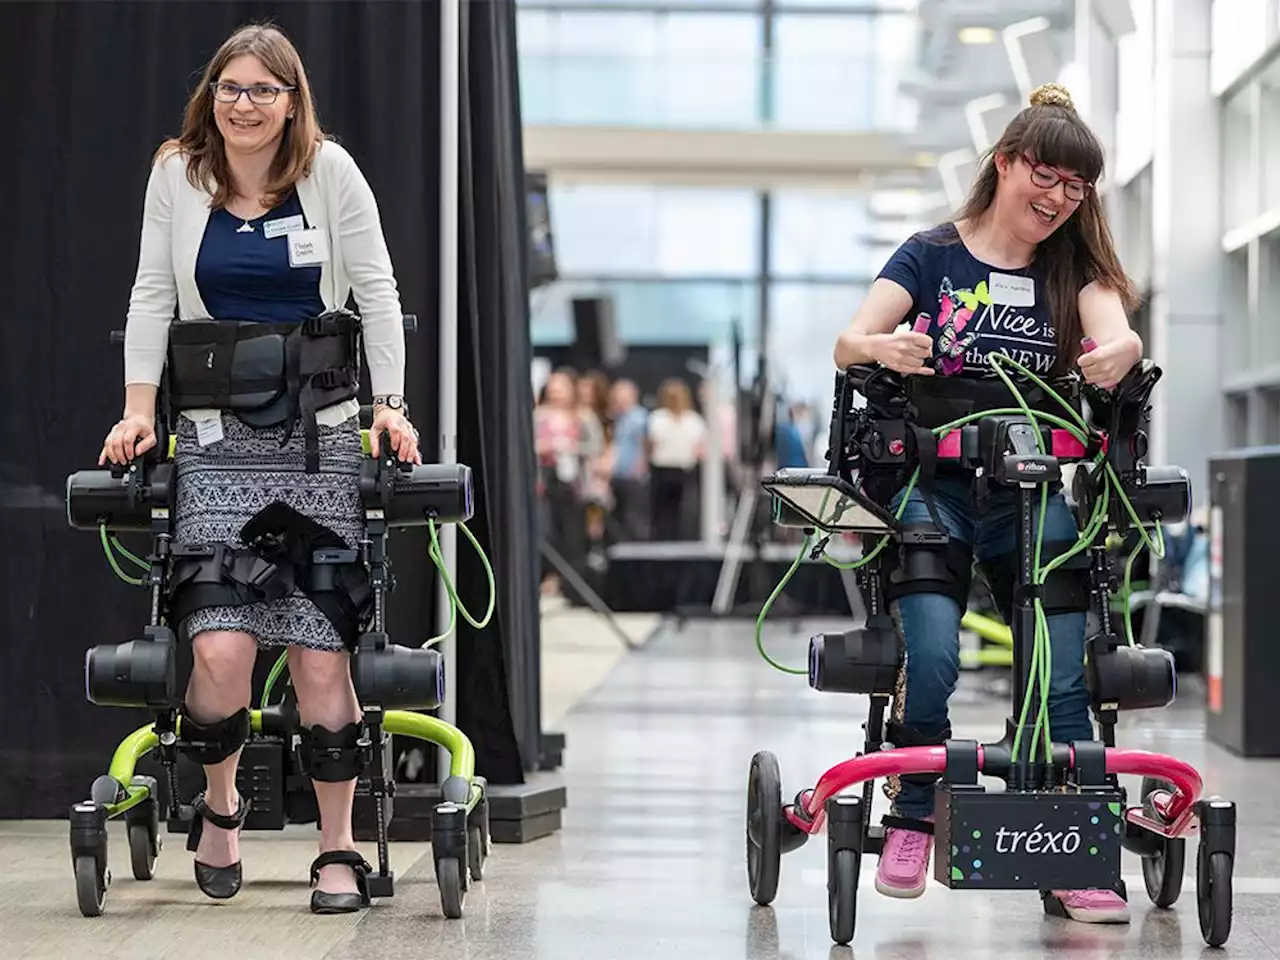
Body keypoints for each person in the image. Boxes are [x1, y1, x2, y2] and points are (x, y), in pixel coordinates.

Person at [98, 22, 421, 914]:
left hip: (318, 440)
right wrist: (136, 410)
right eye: (230, 89)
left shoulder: (330, 172)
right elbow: (152, 293)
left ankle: (338, 850)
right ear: (213, 97)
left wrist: (389, 406)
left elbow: (378, 290)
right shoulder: (179, 173)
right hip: (211, 437)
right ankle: (222, 802)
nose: (244, 105)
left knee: (321, 659)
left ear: (291, 100)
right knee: (222, 648)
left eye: (263, 91)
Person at [832, 83, 1142, 924]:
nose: (1057, 197)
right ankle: (914, 812)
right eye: (1044, 175)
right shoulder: (929, 256)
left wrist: (1121, 351)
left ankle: (1074, 851)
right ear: (1004, 163)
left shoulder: (1074, 270)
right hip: (934, 490)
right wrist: (885, 346)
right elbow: (849, 340)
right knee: (929, 654)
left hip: (1032, 493)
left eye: (1075, 187)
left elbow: (1115, 332)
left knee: (1060, 666)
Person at [646, 378, 707, 541]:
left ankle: (680, 539)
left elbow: (699, 447)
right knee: (662, 510)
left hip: (684, 470)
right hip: (663, 468)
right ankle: (663, 539)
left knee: (683, 510)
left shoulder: (693, 420)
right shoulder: (658, 418)